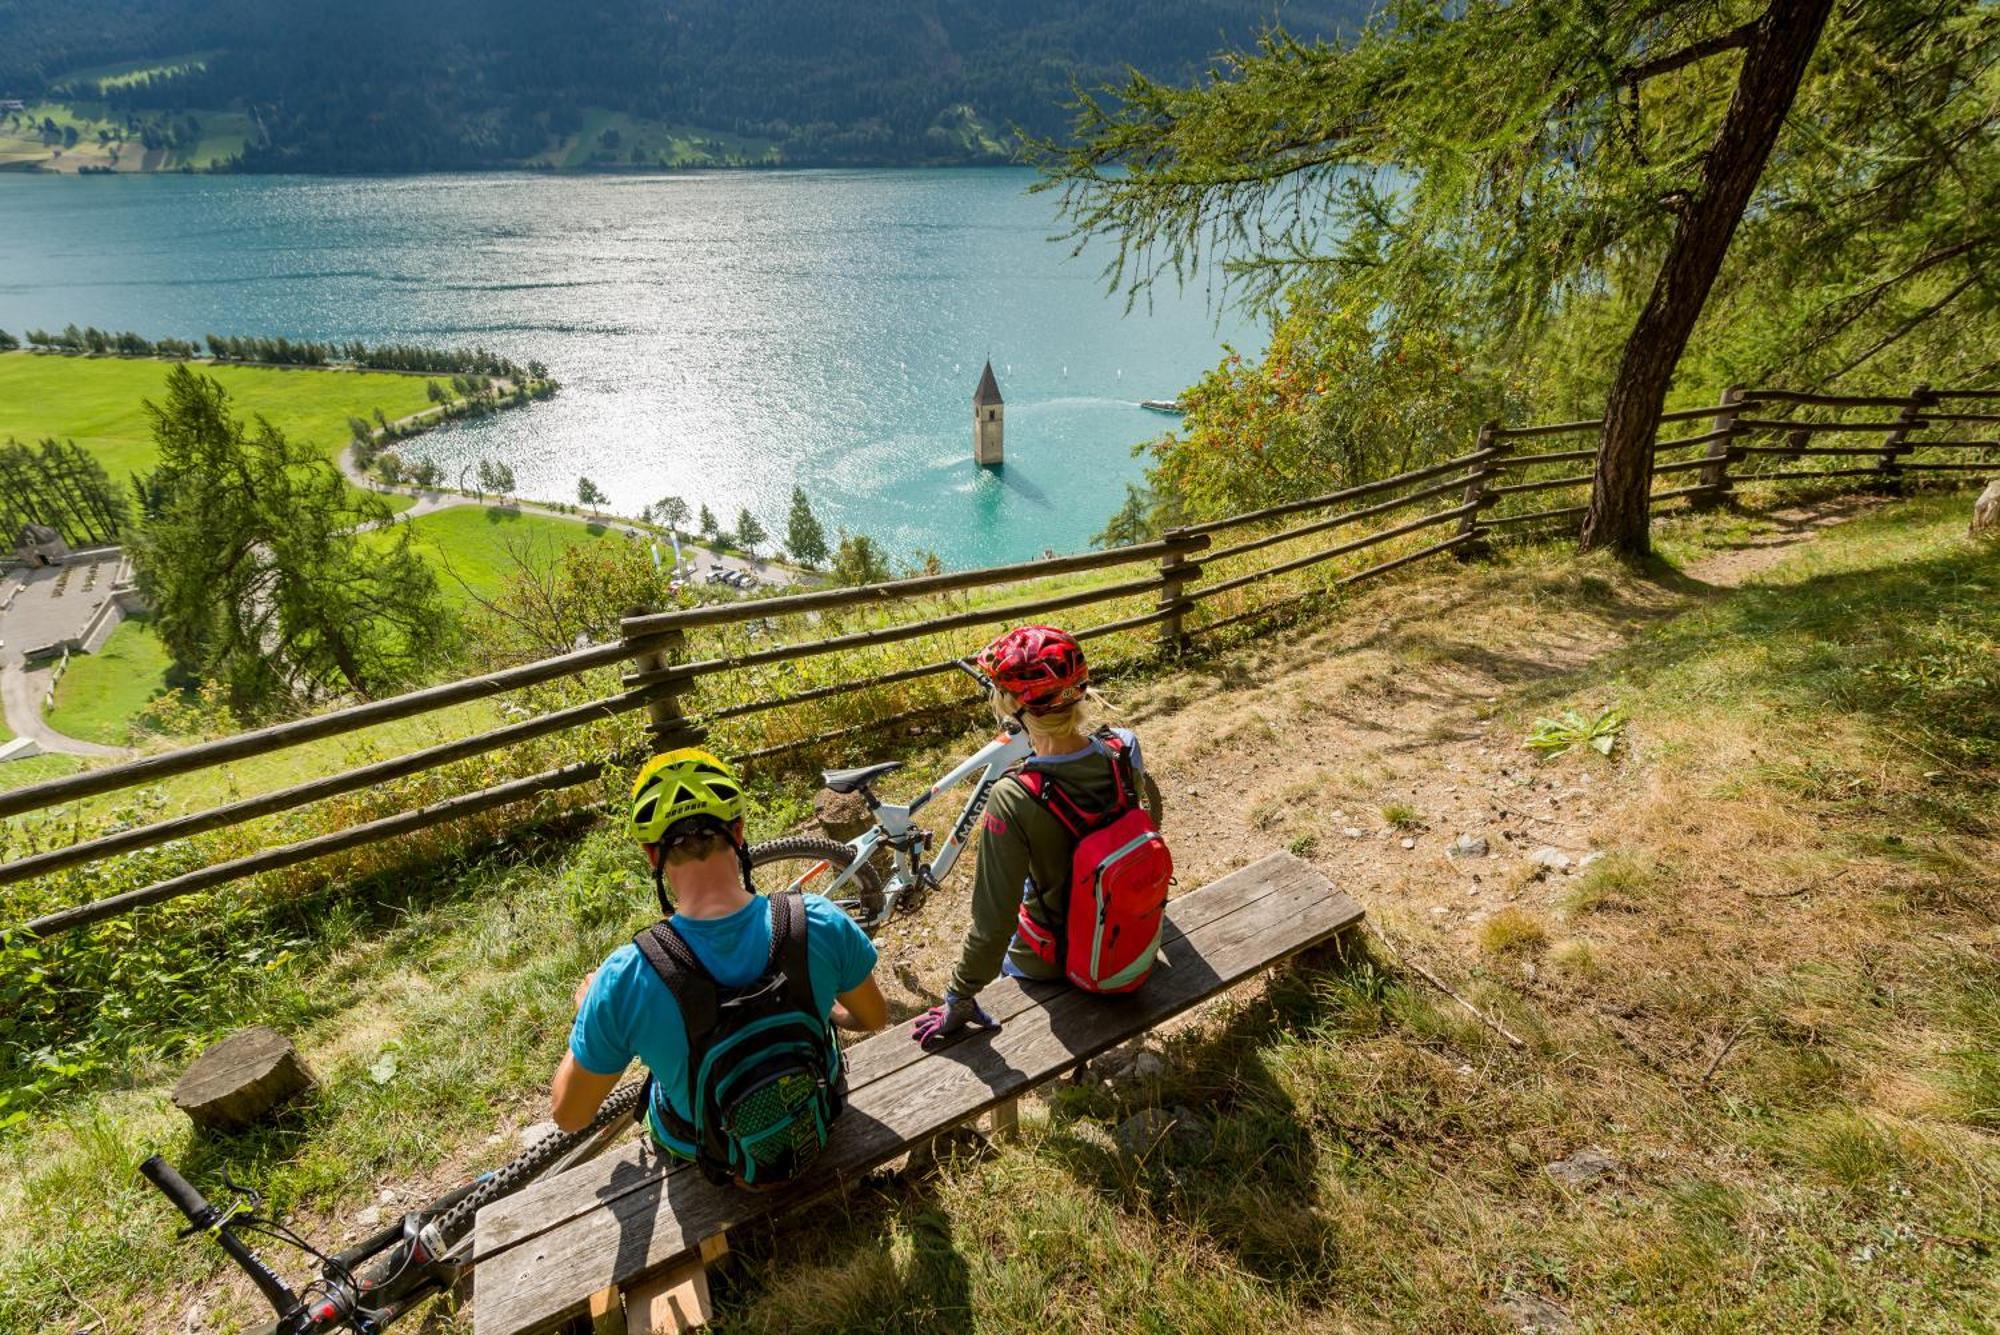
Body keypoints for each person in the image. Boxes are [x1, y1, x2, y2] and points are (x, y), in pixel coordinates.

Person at [551, 749, 888, 1186]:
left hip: (711, 1160)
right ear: (740, 833)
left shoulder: (626, 976)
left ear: (652, 856)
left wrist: (588, 1011)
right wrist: (827, 1010)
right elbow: (875, 1017)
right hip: (815, 1119)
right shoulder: (818, 920)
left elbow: (570, 1115)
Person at [912, 624, 1166, 1048]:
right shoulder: (1124, 748)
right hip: (1122, 933)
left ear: (1012, 705)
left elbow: (993, 925)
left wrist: (959, 996)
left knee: (1012, 947)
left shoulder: (1013, 797)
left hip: (1049, 961)